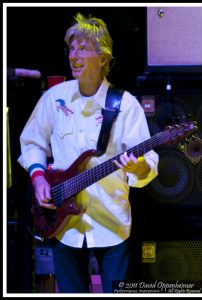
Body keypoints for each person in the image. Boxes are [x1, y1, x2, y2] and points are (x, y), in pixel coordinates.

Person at [17, 12, 159, 293]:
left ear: (103, 58)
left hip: (112, 224)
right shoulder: (54, 99)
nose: (74, 55)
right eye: (71, 48)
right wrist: (39, 179)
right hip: (62, 224)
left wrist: (138, 168)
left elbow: (149, 162)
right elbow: (32, 142)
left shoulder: (126, 104)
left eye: (82, 48)